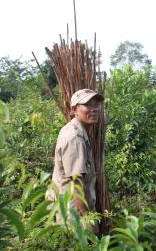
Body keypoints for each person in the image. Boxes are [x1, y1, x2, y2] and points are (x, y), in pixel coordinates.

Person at [50, 89, 104, 231]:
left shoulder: (75, 130)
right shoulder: (74, 137)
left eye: (96, 104)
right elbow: (76, 185)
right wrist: (87, 220)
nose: (94, 109)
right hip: (74, 215)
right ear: (74, 110)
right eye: (88, 105)